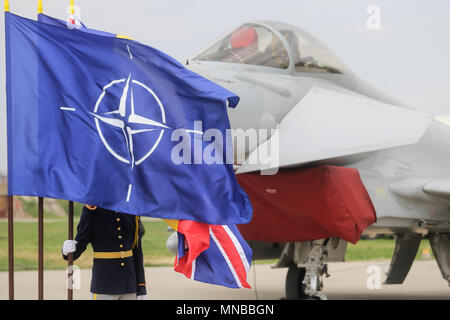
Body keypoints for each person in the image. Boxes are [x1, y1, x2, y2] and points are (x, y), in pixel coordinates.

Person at [62, 205, 147, 300]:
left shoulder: (130, 208)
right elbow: (81, 243)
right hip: (104, 284)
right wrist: (67, 251)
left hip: (129, 284)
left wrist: (141, 286)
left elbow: (137, 251)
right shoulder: (92, 208)